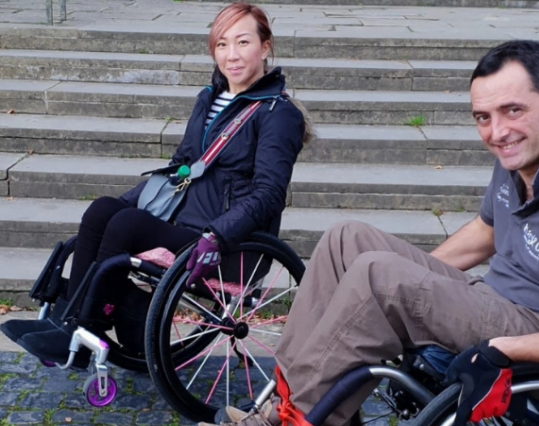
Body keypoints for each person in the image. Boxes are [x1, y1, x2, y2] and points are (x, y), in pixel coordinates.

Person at [188, 39, 539, 426]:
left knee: (380, 278)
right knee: (346, 242)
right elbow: (487, 230)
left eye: (512, 111)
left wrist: (503, 347)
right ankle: (290, 419)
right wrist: (412, 284)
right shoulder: (525, 157)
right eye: (483, 117)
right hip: (502, 306)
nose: (497, 132)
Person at [0, 2, 311, 367]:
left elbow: (269, 195)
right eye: (222, 44)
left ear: (266, 46)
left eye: (243, 42)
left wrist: (218, 235)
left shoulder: (278, 113)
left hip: (230, 246)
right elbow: (181, 169)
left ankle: (87, 329)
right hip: (185, 226)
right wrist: (126, 200)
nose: (232, 55)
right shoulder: (209, 99)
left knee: (126, 225)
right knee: (104, 210)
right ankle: (68, 322)